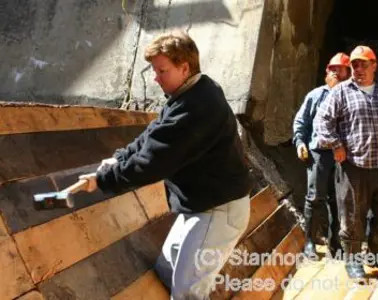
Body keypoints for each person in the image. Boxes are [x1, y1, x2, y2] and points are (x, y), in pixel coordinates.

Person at [78, 31, 253, 299]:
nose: (155, 78)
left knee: (187, 293)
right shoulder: (193, 90)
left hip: (218, 211)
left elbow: (152, 162)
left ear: (184, 67)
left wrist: (104, 180)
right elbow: (155, 133)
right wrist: (119, 157)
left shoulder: (198, 108)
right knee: (166, 268)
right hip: (200, 204)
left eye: (161, 71)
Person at [314, 45, 378, 279]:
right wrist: (336, 144)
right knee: (352, 217)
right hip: (354, 167)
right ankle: (353, 261)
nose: (358, 69)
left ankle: (377, 254)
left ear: (375, 66)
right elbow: (323, 122)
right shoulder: (341, 91)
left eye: (364, 64)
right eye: (354, 65)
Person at [293, 53, 351, 259]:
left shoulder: (353, 96)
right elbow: (301, 122)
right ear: (327, 71)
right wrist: (300, 143)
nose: (336, 72)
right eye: (332, 68)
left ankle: (335, 244)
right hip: (318, 152)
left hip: (344, 156)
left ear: (348, 72)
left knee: (339, 200)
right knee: (314, 197)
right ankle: (309, 242)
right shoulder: (316, 95)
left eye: (341, 69)